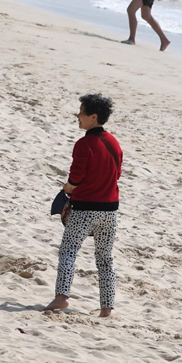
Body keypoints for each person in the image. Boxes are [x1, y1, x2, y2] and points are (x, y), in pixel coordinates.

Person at [44, 93, 122, 318]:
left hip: (85, 208)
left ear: (93, 116)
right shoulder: (114, 143)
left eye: (81, 112)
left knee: (68, 251)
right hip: (110, 210)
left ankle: (62, 296)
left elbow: (76, 176)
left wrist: (68, 188)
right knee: (105, 258)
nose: (77, 116)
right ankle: (106, 308)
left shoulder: (84, 143)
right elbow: (117, 174)